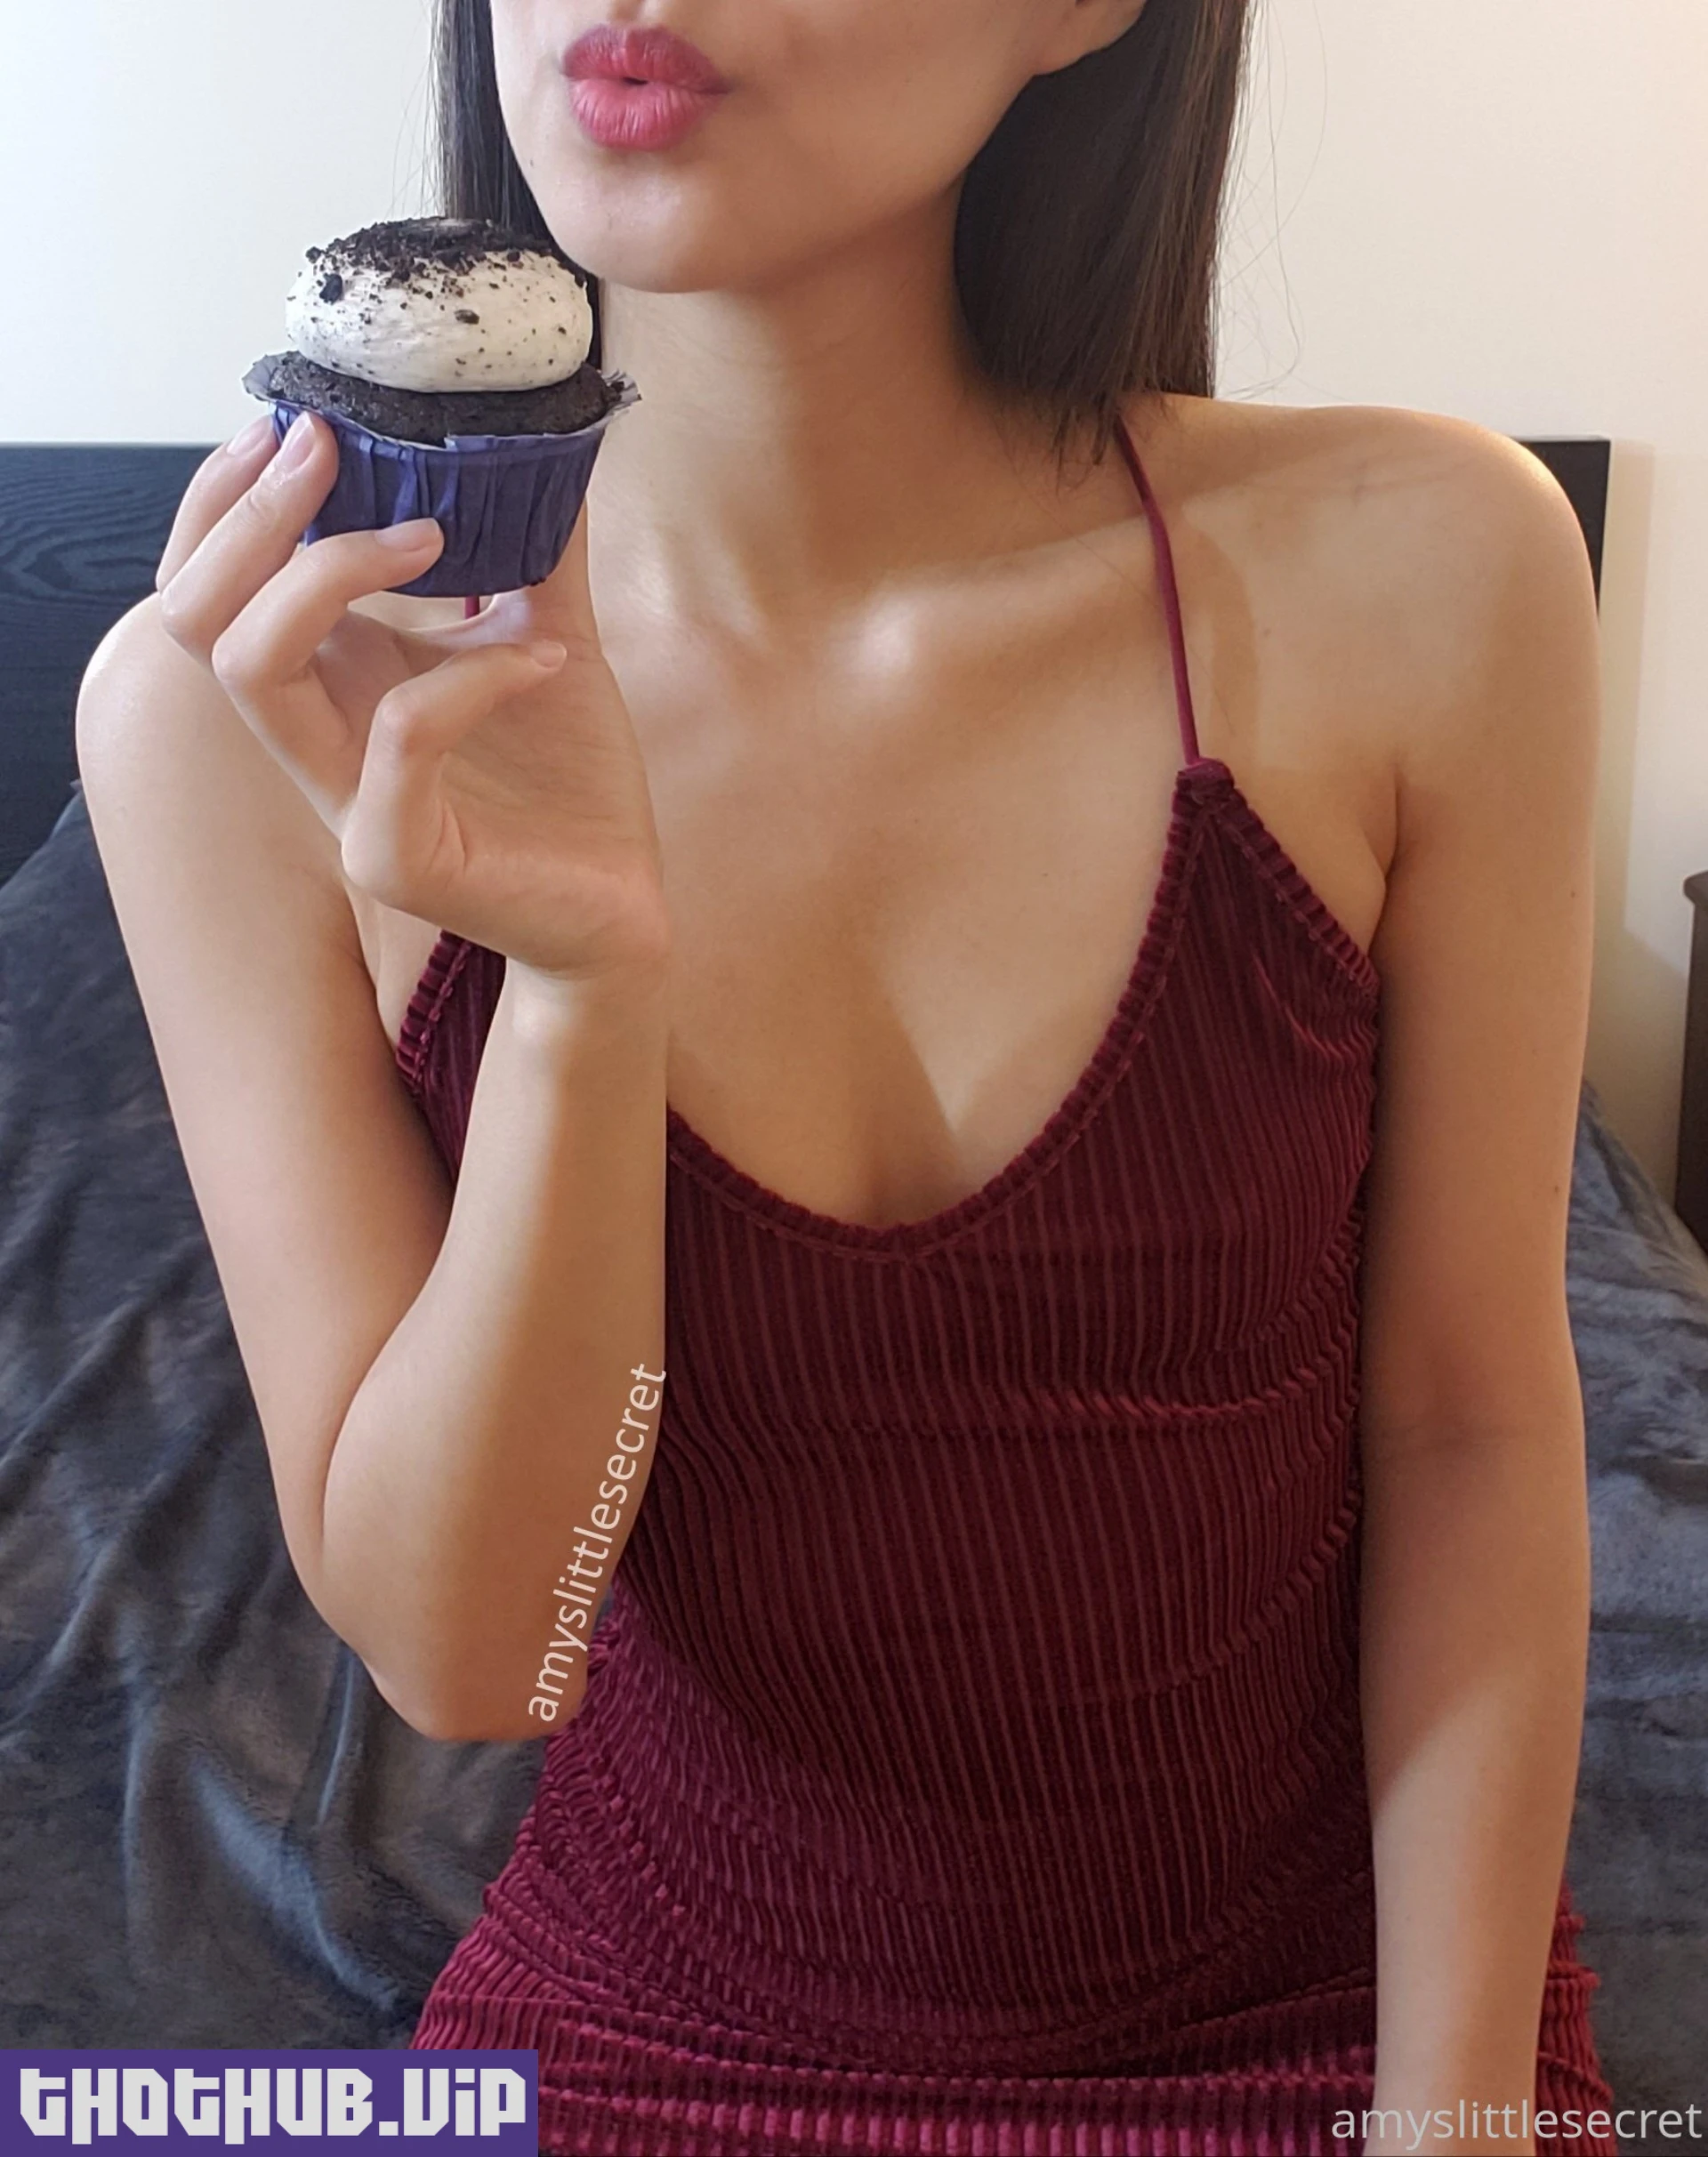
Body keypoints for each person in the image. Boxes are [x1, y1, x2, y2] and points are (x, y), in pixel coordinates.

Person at [74, 0, 1620, 2151]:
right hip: (654, 2040)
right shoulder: (230, 710)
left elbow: (1467, 1422)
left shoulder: (1428, 566)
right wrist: (580, 991)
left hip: (1331, 2015)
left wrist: (1455, 2119)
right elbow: (485, 1655)